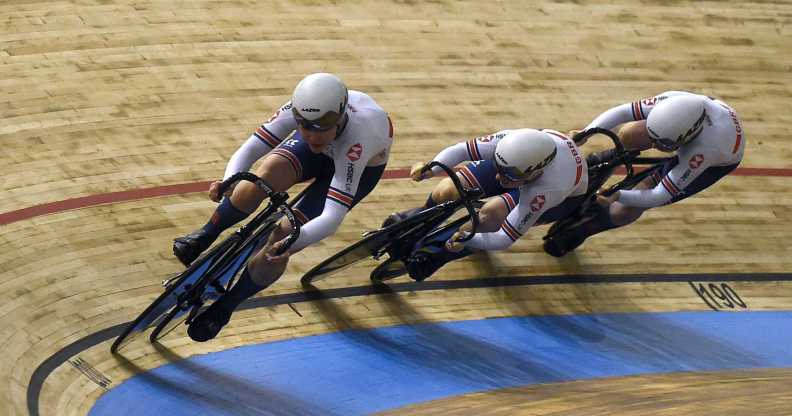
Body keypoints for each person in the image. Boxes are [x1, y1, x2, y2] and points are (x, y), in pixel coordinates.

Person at [178, 73, 394, 341]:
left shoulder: (359, 138)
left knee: (283, 236)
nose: (313, 135)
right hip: (324, 152)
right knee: (260, 177)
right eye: (305, 126)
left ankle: (226, 307)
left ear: (339, 118)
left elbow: (332, 217)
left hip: (358, 167)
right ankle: (206, 234)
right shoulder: (298, 110)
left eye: (322, 127)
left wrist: (293, 241)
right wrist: (228, 182)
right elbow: (248, 151)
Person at [544, 91, 745, 256]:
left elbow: (659, 195)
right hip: (693, 133)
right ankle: (609, 161)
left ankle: (584, 230)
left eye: (662, 144)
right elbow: (622, 112)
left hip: (714, 163)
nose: (655, 146)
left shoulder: (706, 151)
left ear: (687, 136)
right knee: (629, 135)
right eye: (653, 138)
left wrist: (619, 195)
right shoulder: (672, 101)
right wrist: (584, 134)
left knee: (625, 208)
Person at [388, 128, 588, 281]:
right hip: (521, 171)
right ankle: (417, 221)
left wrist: (468, 240)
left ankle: (438, 254)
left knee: (490, 215)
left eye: (506, 174)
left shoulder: (547, 191)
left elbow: (503, 239)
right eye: (498, 167)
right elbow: (460, 151)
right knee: (448, 189)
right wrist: (430, 168)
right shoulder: (509, 142)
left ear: (534, 172)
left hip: (562, 199)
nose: (498, 176)